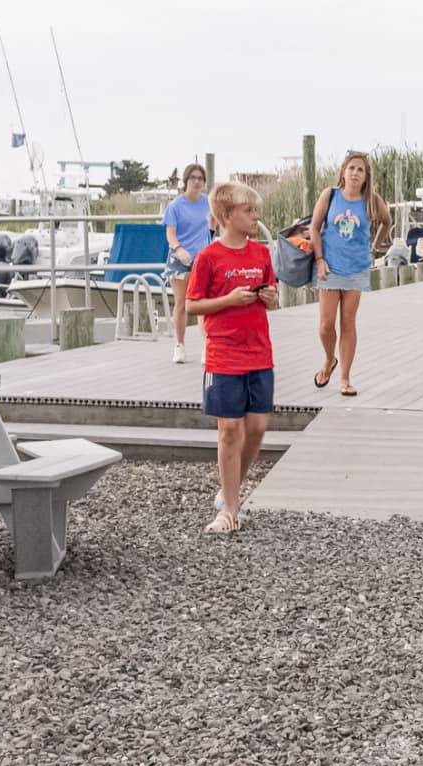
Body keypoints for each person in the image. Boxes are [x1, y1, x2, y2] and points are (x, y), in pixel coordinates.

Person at [186, 182, 278, 534]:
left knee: (256, 427)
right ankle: (230, 508)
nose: (256, 216)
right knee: (229, 431)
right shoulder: (208, 257)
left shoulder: (260, 254)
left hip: (259, 351)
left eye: (255, 210)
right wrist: (229, 300)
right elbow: (192, 305)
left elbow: (273, 295)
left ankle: (229, 489)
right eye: (248, 210)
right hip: (223, 354)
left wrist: (269, 299)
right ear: (226, 216)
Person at [308, 150, 391, 397]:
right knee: (325, 325)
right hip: (329, 266)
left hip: (356, 268)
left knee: (348, 322)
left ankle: (344, 377)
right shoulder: (330, 195)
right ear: (343, 171)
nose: (355, 173)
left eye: (360, 170)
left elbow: (387, 221)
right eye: (351, 168)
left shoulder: (371, 200)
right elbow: (314, 227)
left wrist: (374, 247)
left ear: (366, 177)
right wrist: (319, 259)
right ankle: (328, 360)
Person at [162, 163, 212, 364]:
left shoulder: (208, 202)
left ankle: (207, 346)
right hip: (181, 259)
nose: (197, 182)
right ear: (186, 180)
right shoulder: (175, 206)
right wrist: (179, 249)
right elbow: (170, 234)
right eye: (194, 178)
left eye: (201, 178)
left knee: (202, 304)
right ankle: (180, 345)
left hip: (202, 259)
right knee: (181, 303)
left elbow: (215, 224)